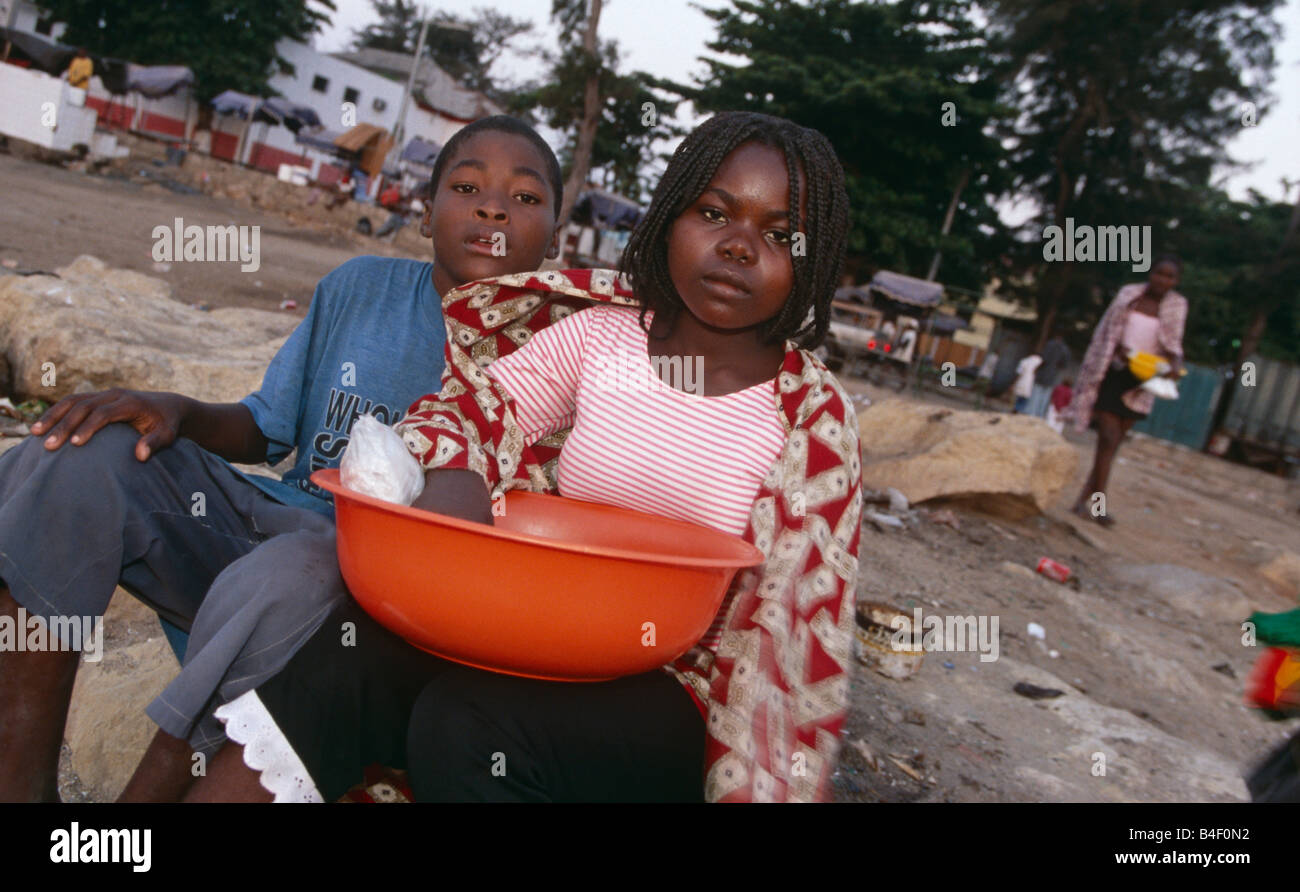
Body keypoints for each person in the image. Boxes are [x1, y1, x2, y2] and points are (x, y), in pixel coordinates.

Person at [183, 111, 863, 804]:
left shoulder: (812, 417)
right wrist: (452, 479)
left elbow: (793, 633)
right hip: (538, 630)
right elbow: (471, 410)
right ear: (669, 219)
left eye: (779, 234)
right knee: (348, 654)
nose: (740, 246)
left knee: (469, 724)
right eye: (713, 212)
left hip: (672, 686)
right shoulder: (601, 338)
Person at [0, 115, 564, 803]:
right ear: (424, 214)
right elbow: (263, 429)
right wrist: (176, 409)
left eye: (525, 198)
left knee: (295, 571)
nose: (493, 206)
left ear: (557, 235)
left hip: (370, 591)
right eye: (467, 185)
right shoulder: (360, 289)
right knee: (77, 453)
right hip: (266, 519)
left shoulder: (558, 353)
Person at [1068, 254, 1187, 525]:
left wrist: (1175, 366)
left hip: (1143, 380)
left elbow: (1174, 345)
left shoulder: (1177, 307)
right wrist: (1118, 352)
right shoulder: (1128, 295)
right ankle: (1098, 509)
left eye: (1169, 276)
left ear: (1175, 281)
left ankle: (1080, 503)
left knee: (1111, 447)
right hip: (1114, 371)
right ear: (1151, 273)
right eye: (1159, 273)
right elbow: (1107, 331)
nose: (1162, 279)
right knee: (1108, 438)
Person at [1027, 334, 1070, 417]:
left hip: (1043, 374)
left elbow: (1044, 359)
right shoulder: (1065, 349)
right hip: (1053, 376)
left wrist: (1037, 368)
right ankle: (1039, 415)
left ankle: (1031, 413)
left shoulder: (1050, 344)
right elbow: (1064, 365)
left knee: (1036, 395)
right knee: (1045, 397)